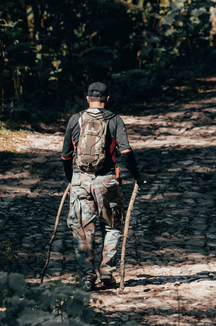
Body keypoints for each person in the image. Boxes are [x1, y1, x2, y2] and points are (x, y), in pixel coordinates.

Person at [61, 82, 144, 292]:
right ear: (108, 99)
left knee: (82, 231)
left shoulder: (75, 119)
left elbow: (65, 156)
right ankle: (107, 273)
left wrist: (72, 180)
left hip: (81, 182)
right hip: (107, 182)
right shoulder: (114, 119)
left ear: (87, 98)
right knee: (112, 226)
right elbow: (125, 152)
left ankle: (88, 278)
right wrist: (137, 177)